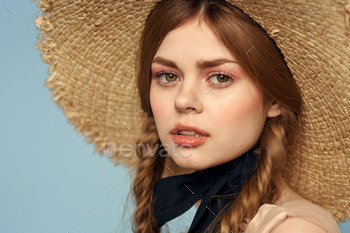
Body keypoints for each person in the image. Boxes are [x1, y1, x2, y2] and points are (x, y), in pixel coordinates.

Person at [34, 0, 349, 232]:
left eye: (220, 77)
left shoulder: (290, 228)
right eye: (168, 76)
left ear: (274, 98)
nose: (184, 100)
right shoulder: (226, 215)